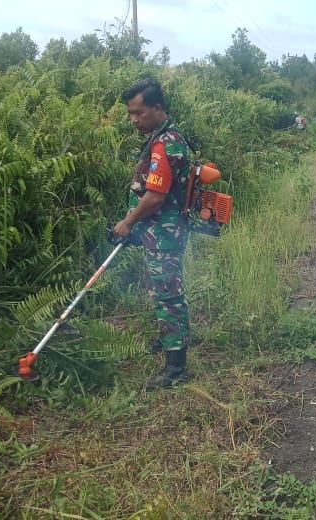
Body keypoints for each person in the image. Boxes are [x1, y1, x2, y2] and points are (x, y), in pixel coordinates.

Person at [114, 78, 193, 390]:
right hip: (157, 231)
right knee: (160, 289)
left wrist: (128, 222)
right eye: (131, 114)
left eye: (139, 112)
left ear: (157, 108)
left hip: (164, 233)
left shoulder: (166, 144)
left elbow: (155, 197)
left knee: (168, 294)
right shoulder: (159, 137)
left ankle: (176, 367)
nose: (134, 119)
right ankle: (168, 338)